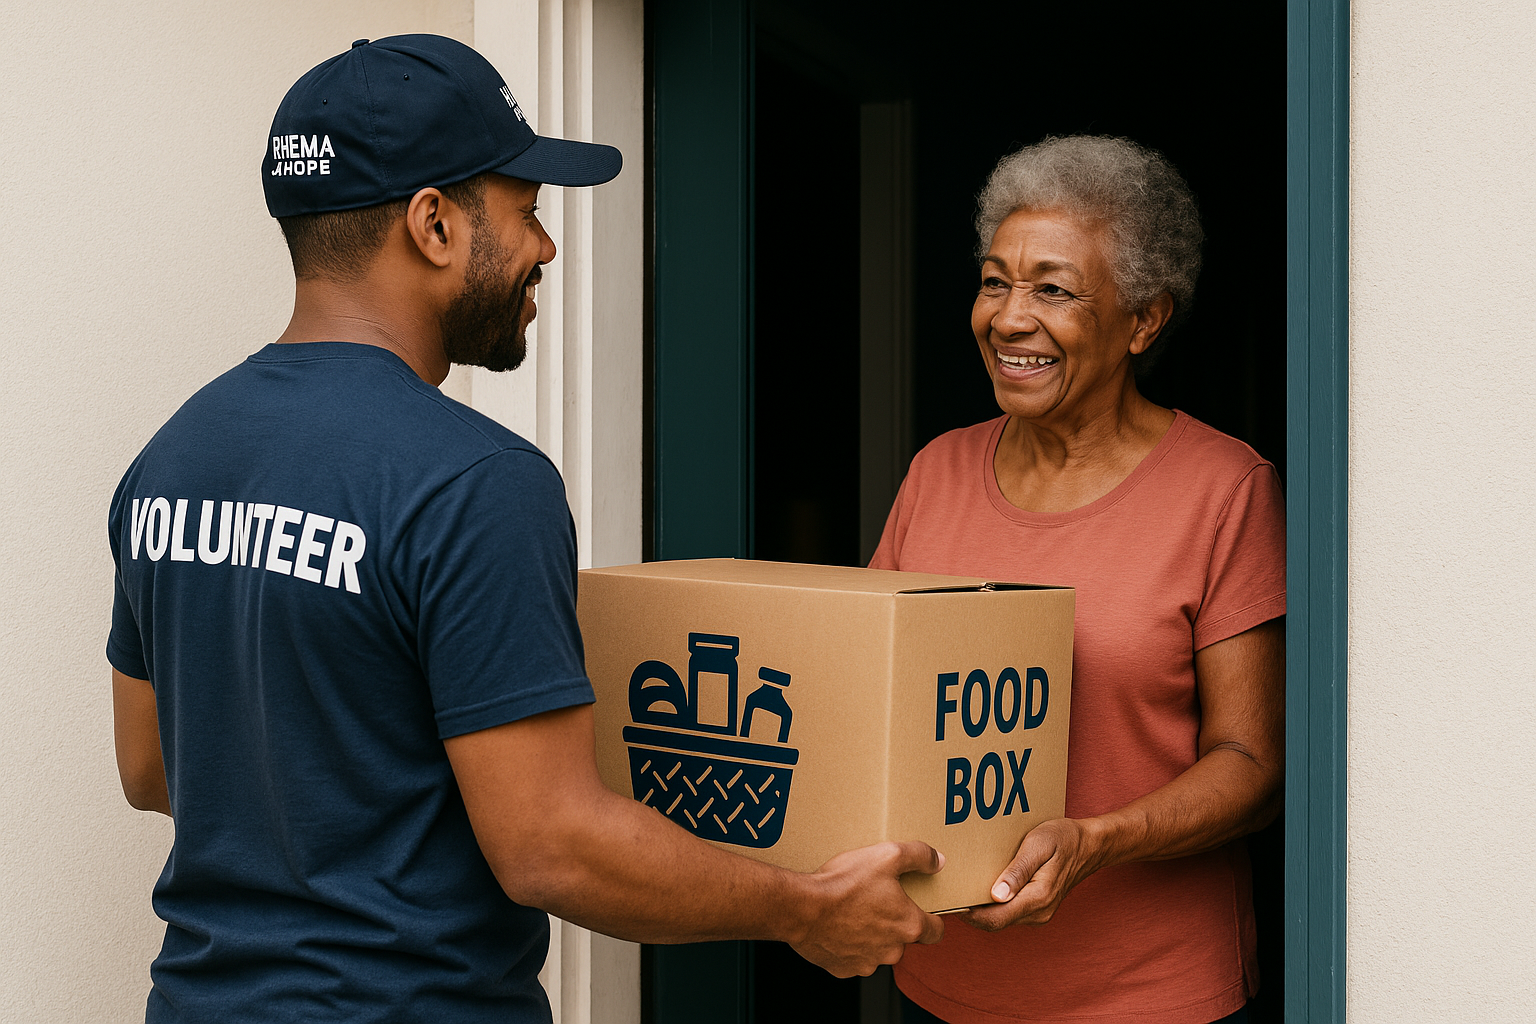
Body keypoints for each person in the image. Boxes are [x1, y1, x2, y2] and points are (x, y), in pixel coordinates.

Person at [108, 34, 942, 1024]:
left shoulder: (171, 458)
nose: (545, 247)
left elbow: (154, 769)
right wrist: (805, 908)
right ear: (433, 225)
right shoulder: (475, 480)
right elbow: (551, 846)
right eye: (528, 211)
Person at [870, 135, 1285, 1024]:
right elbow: (871, 697)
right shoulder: (937, 471)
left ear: (1144, 321)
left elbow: (1253, 766)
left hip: (1150, 994)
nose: (1009, 318)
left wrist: (1095, 842)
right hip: (945, 987)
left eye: (1053, 289)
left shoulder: (1224, 489)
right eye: (994, 281)